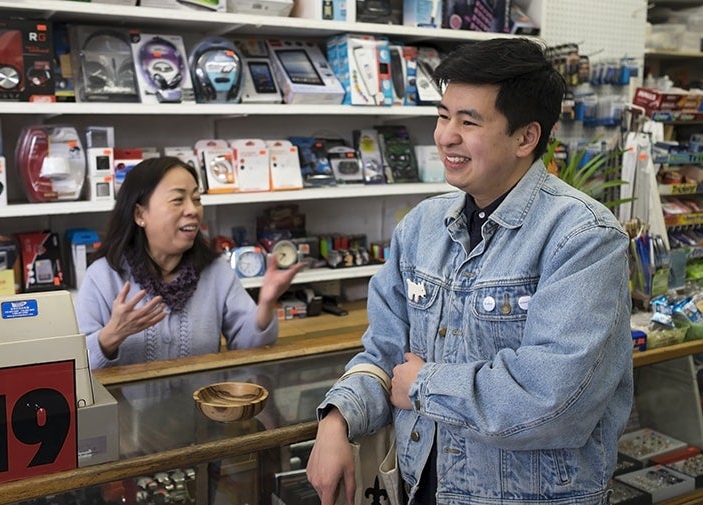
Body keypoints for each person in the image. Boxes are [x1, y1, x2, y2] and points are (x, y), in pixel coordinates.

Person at [306, 37, 632, 505]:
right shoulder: (422, 227)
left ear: (526, 137)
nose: (445, 136)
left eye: (469, 121)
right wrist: (337, 418)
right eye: (443, 116)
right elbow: (383, 354)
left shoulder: (583, 237)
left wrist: (424, 385)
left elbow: (554, 402)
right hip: (424, 489)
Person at [74, 156, 302, 369]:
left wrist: (265, 305)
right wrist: (111, 336)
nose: (193, 210)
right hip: (124, 413)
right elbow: (77, 366)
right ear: (139, 214)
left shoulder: (216, 272)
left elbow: (249, 350)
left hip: (201, 410)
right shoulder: (103, 276)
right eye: (177, 200)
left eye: (196, 199)